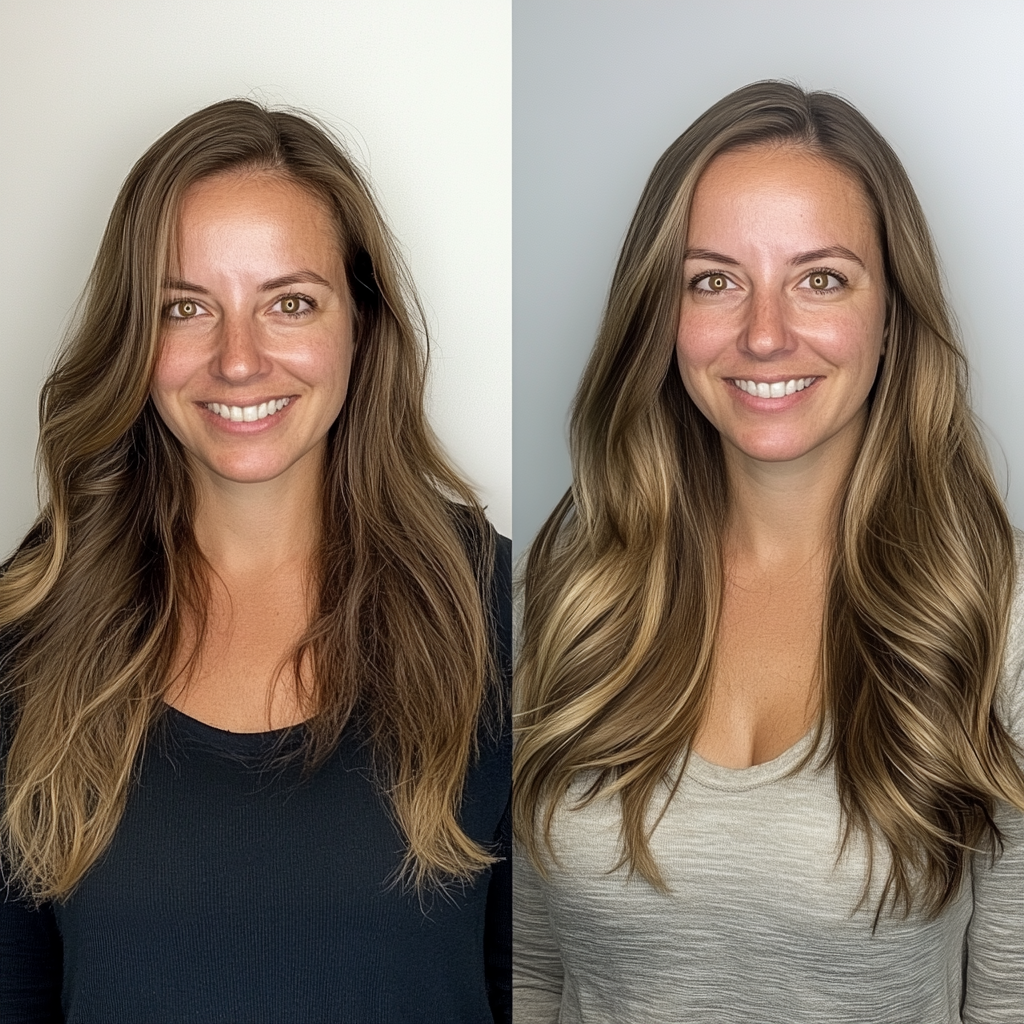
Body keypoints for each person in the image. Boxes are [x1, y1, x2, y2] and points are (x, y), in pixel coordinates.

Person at [513, 81, 1024, 1022]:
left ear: (893, 313)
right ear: (659, 314)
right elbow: (536, 975)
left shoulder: (1000, 609)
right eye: (714, 279)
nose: (763, 334)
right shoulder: (576, 585)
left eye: (820, 278)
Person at [0, 98, 511, 1024]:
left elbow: (547, 984)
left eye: (289, 303)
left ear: (361, 322)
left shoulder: (496, 608)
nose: (238, 361)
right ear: (133, 337)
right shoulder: (32, 619)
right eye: (186, 307)